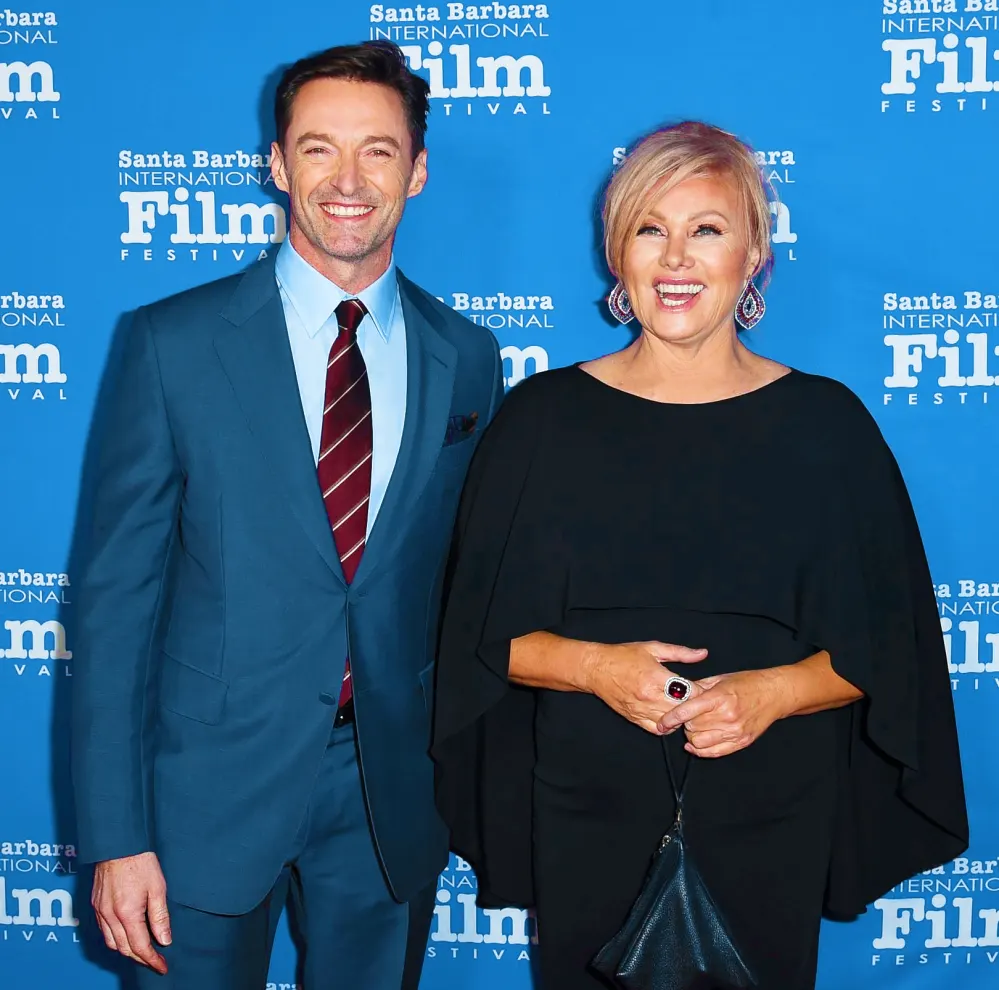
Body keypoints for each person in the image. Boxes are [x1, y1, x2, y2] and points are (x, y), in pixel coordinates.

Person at [431, 121, 969, 990]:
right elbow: (474, 644)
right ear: (617, 252)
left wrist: (772, 692)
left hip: (771, 816)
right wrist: (596, 670)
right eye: (650, 227)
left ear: (753, 254)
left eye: (706, 229)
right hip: (586, 814)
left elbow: (894, 652)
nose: (675, 257)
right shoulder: (540, 420)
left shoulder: (827, 428)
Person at [71, 40, 501, 990]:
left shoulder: (467, 356)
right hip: (200, 796)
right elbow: (112, 609)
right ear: (276, 164)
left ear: (418, 171)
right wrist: (116, 836)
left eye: (379, 151)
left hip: (388, 799)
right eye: (317, 149)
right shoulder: (170, 343)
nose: (347, 180)